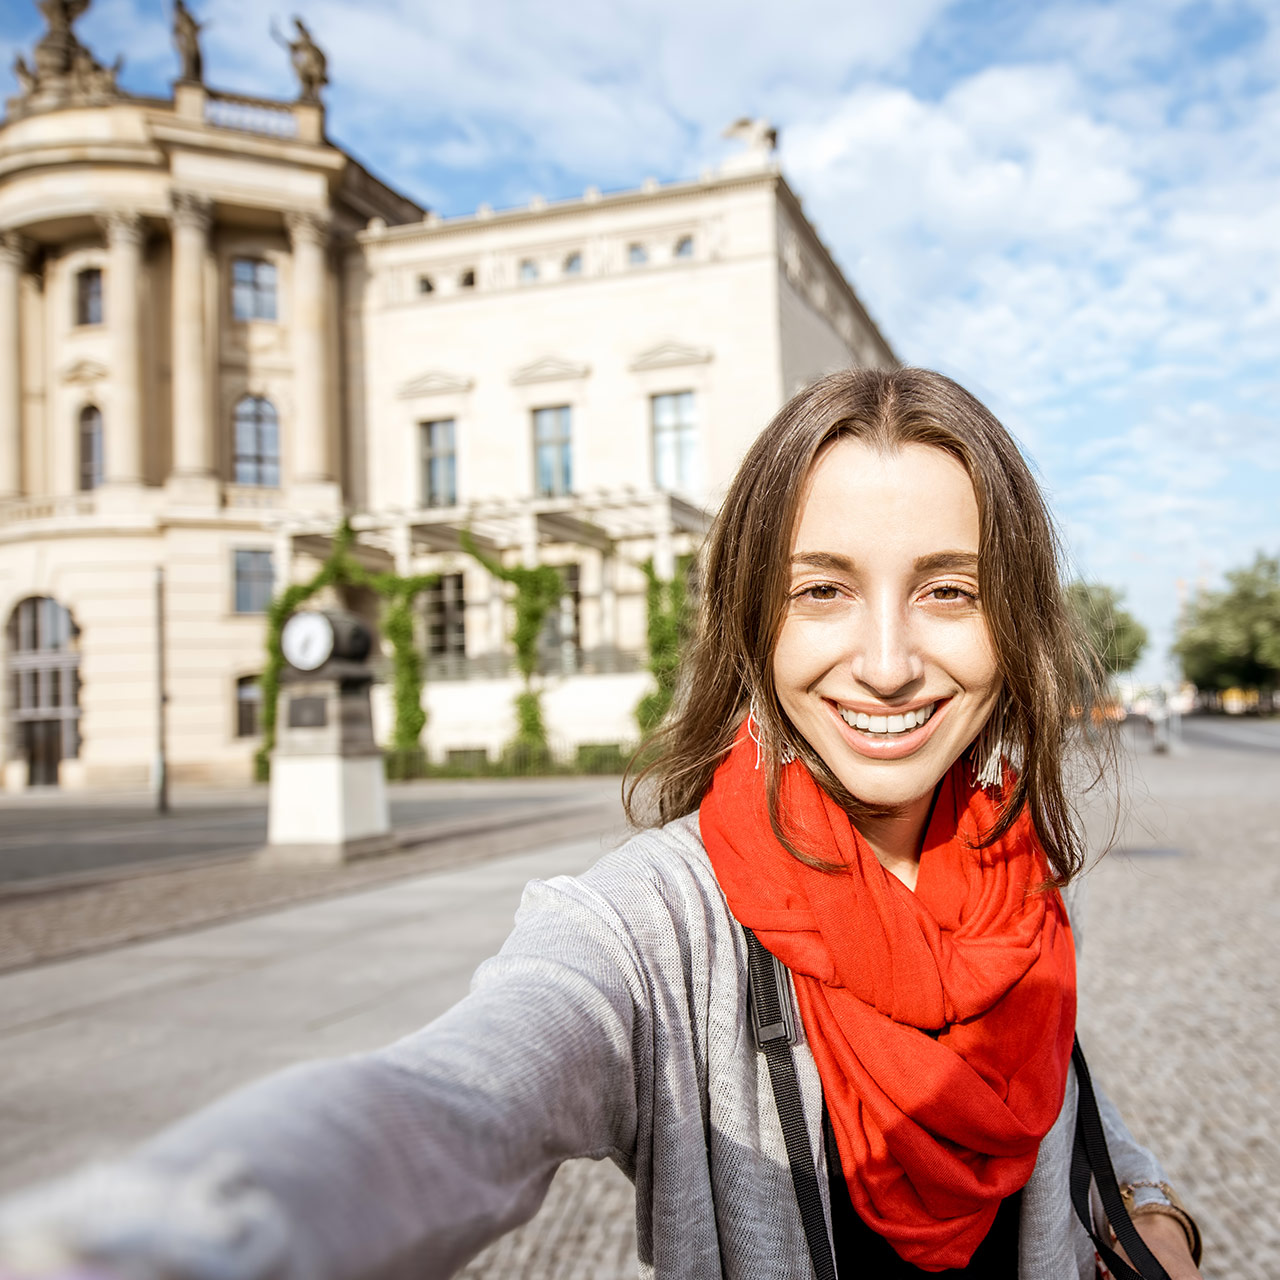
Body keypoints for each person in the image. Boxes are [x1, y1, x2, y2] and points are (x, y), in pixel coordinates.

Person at [0, 369, 1202, 1279]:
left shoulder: (1016, 869)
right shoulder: (651, 924)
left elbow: (1051, 1074)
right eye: (821, 588)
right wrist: (149, 1234)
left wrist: (1149, 1206)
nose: (885, 662)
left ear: (1013, 618)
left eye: (947, 590)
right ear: (752, 620)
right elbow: (454, 1098)